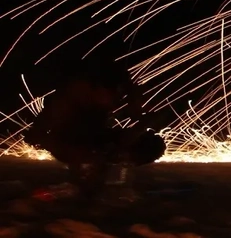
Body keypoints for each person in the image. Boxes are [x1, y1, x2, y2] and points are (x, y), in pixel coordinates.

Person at [26, 58, 166, 197]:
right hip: (74, 141)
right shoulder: (68, 103)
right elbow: (39, 135)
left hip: (91, 139)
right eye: (116, 94)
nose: (117, 101)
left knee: (150, 144)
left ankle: (101, 177)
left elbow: (134, 109)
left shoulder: (105, 97)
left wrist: (141, 116)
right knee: (92, 157)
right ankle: (88, 181)